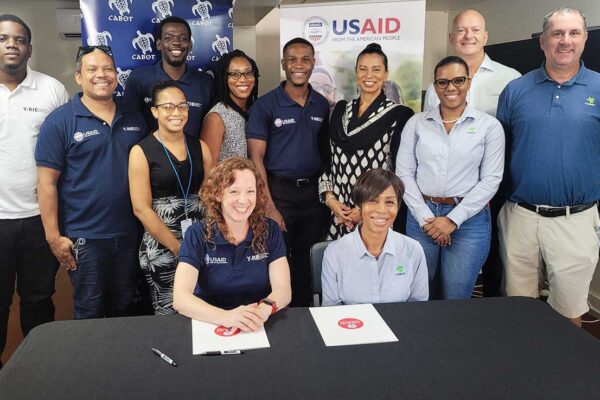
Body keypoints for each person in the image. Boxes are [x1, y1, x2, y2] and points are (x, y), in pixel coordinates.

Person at [497, 7, 599, 326]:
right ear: (542, 42)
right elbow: (502, 149)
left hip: (576, 219)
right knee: (517, 307)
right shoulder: (516, 90)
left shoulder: (598, 87)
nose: (564, 41)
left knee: (570, 311)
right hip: (520, 216)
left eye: (573, 33)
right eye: (556, 33)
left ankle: (564, 375)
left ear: (584, 39)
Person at [35, 46, 146, 319]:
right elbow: (46, 183)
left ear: (117, 76)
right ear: (78, 77)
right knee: (89, 309)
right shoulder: (60, 121)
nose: (102, 75)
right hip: (85, 237)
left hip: (130, 232)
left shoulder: (134, 117)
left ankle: (120, 362)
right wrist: (53, 237)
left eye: (108, 68)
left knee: (125, 306)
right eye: (92, 69)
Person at [396, 56, 504, 300]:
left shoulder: (490, 127)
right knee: (420, 294)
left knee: (456, 297)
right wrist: (427, 220)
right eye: (443, 82)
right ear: (435, 86)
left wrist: (452, 220)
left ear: (469, 81)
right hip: (421, 215)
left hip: (469, 221)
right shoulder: (417, 123)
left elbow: (491, 180)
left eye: (458, 80)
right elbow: (404, 173)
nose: (451, 88)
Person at [0, 14, 69, 367]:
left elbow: (67, 154)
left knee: (38, 298)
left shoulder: (52, 90)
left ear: (30, 48)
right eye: (3, 38)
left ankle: (40, 366)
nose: (11, 44)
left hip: (39, 217)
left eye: (19, 39)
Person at [247, 37, 330, 307]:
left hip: (311, 196)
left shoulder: (321, 104)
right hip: (278, 193)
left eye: (305, 59)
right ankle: (279, 317)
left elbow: (325, 154)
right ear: (283, 64)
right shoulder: (266, 105)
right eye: (292, 59)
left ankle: (306, 319)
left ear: (313, 63)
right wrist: (269, 206)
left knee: (308, 262)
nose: (299, 65)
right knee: (278, 261)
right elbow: (256, 157)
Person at [173, 157, 291, 331]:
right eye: (234, 191)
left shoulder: (270, 230)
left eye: (250, 191)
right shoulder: (197, 234)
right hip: (209, 323)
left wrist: (264, 309)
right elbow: (180, 299)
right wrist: (227, 317)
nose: (243, 200)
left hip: (258, 323)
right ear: (218, 194)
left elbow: (283, 289)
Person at [129, 81, 212, 315]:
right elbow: (141, 209)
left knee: (204, 309)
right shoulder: (141, 151)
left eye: (182, 106)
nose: (176, 112)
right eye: (168, 107)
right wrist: (178, 248)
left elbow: (211, 197)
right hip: (162, 247)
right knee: (170, 313)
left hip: (200, 243)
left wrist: (201, 245)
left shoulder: (200, 147)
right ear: (155, 111)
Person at [319, 43, 414, 240]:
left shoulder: (399, 115)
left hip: (375, 214)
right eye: (363, 69)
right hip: (338, 213)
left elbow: (397, 171)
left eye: (376, 69)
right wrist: (330, 200)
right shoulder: (339, 110)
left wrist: (365, 209)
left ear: (386, 73)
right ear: (356, 72)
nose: (369, 75)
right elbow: (326, 159)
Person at [321, 169, 428, 306]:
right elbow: (331, 311)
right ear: (359, 206)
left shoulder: (413, 250)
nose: (382, 210)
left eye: (389, 202)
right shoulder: (334, 253)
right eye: (372, 201)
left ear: (398, 206)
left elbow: (418, 307)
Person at [123, 16, 214, 139]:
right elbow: (129, 127)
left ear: (190, 45)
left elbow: (211, 129)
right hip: (147, 157)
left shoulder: (206, 82)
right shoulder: (139, 78)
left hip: (195, 156)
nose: (176, 42)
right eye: (169, 38)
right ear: (159, 44)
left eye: (183, 38)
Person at [423, 9, 521, 118]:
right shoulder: (435, 88)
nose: (469, 36)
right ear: (451, 38)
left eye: (476, 30)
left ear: (485, 37)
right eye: (461, 30)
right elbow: (427, 131)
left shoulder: (511, 79)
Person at [200, 49, 258, 163]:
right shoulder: (217, 117)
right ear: (224, 79)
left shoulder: (258, 109)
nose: (243, 79)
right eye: (235, 74)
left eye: (248, 73)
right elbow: (208, 169)